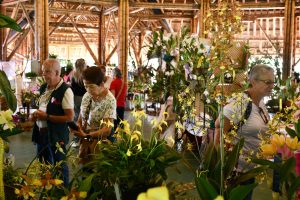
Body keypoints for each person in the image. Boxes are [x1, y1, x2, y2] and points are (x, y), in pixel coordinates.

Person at [214, 64, 275, 200]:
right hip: (236, 173)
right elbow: (219, 125)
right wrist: (220, 164)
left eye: (273, 82)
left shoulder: (260, 103)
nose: (272, 85)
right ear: (253, 81)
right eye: (268, 82)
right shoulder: (241, 102)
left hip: (249, 171)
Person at [32, 58, 74, 186]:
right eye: (43, 71)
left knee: (59, 166)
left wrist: (47, 117)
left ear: (57, 73)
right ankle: (47, 192)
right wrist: (35, 116)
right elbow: (42, 107)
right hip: (41, 134)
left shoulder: (65, 90)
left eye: (47, 72)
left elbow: (69, 117)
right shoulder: (44, 87)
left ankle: (63, 193)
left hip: (56, 136)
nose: (44, 74)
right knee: (44, 165)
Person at [71, 67, 116, 163]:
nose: (87, 90)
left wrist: (88, 135)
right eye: (85, 86)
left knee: (97, 174)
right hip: (86, 141)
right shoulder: (86, 95)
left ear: (101, 84)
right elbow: (80, 118)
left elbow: (107, 130)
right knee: (85, 173)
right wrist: (77, 128)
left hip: (100, 143)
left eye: (91, 87)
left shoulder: (110, 100)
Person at [70, 58, 87, 146]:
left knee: (76, 118)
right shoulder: (86, 74)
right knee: (85, 118)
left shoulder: (73, 75)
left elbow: (72, 88)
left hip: (75, 98)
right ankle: (84, 137)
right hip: (85, 98)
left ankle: (76, 139)